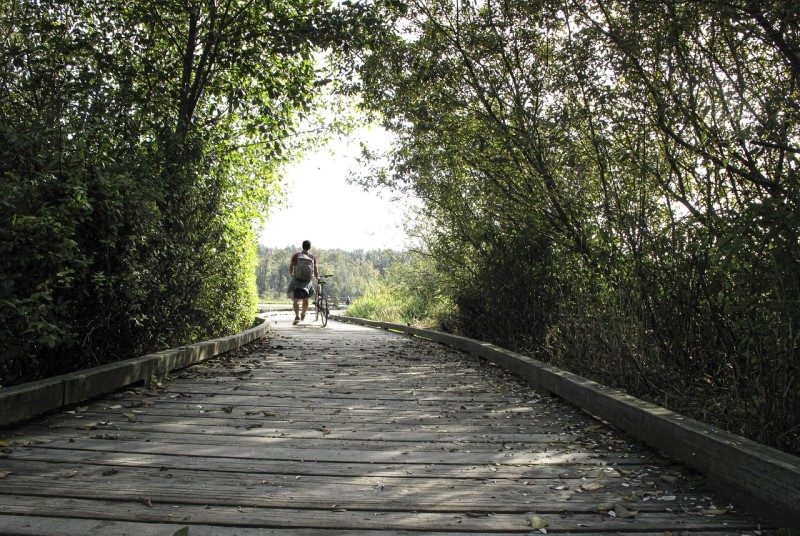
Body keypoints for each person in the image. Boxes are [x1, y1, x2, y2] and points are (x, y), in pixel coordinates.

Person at [287, 240, 318, 325]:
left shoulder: (296, 256)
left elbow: (291, 267)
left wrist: (292, 275)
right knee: (306, 299)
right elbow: (315, 270)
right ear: (309, 247)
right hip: (307, 281)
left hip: (297, 280)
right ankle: (303, 314)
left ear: (302, 246)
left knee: (296, 299)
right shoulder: (312, 257)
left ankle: (297, 315)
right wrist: (317, 277)